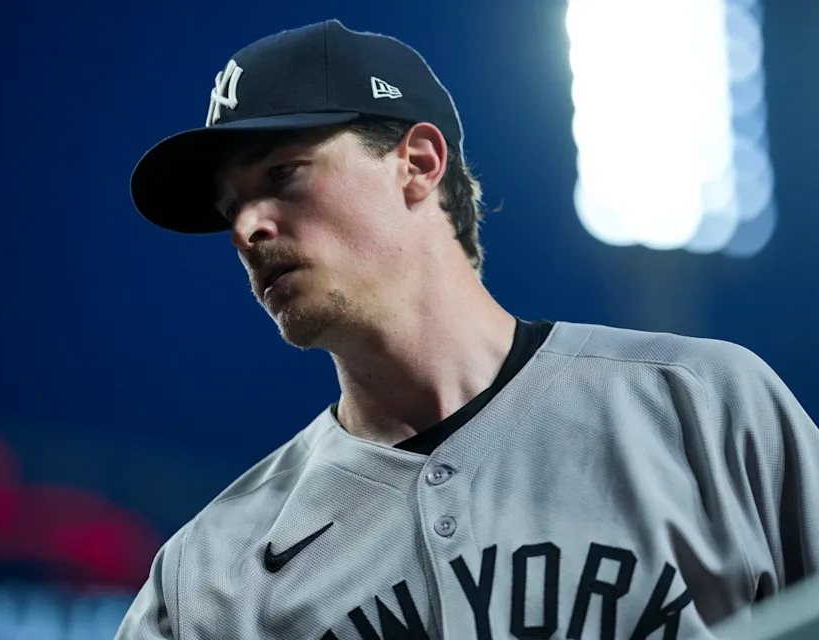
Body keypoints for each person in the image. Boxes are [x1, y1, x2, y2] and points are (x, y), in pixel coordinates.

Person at [117, 19, 819, 640]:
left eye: (283, 174)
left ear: (418, 165)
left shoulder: (706, 405)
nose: (248, 228)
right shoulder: (204, 580)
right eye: (230, 208)